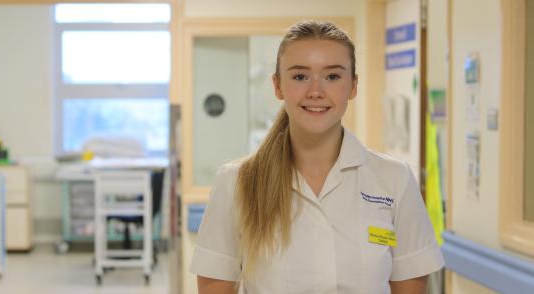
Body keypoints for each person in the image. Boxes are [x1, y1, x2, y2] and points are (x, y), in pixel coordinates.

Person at [190, 20, 444, 294]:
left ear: (353, 86)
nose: (316, 91)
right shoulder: (236, 183)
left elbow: (411, 284)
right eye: (300, 76)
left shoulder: (394, 179)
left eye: (332, 76)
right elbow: (214, 285)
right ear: (277, 86)